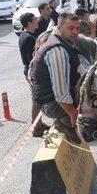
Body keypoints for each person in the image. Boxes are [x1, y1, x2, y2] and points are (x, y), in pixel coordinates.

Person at [30, 13, 89, 144]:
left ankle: (64, 123)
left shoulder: (61, 41)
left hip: (52, 101)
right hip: (52, 104)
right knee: (85, 130)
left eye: (77, 29)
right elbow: (61, 94)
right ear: (59, 27)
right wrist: (73, 114)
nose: (75, 32)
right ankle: (63, 125)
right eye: (70, 28)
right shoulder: (57, 51)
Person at [19, 12, 49, 136]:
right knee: (37, 100)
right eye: (35, 19)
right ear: (29, 23)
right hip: (32, 73)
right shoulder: (28, 39)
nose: (37, 20)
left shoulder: (26, 35)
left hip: (29, 71)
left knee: (37, 99)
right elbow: (32, 60)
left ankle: (39, 123)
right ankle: (36, 127)